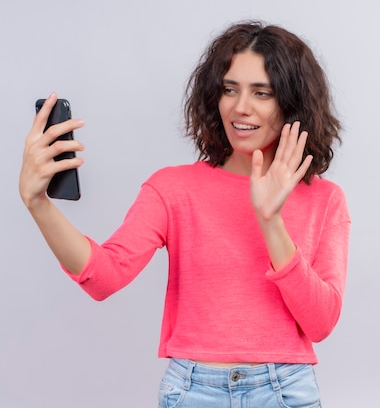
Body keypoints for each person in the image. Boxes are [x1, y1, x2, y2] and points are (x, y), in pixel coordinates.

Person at [19, 21, 350, 407]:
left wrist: (270, 220)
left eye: (262, 93)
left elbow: (321, 322)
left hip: (286, 391)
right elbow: (103, 277)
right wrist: (38, 203)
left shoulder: (325, 200)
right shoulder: (174, 189)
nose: (240, 107)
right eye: (229, 89)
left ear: (292, 104)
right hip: (195, 392)